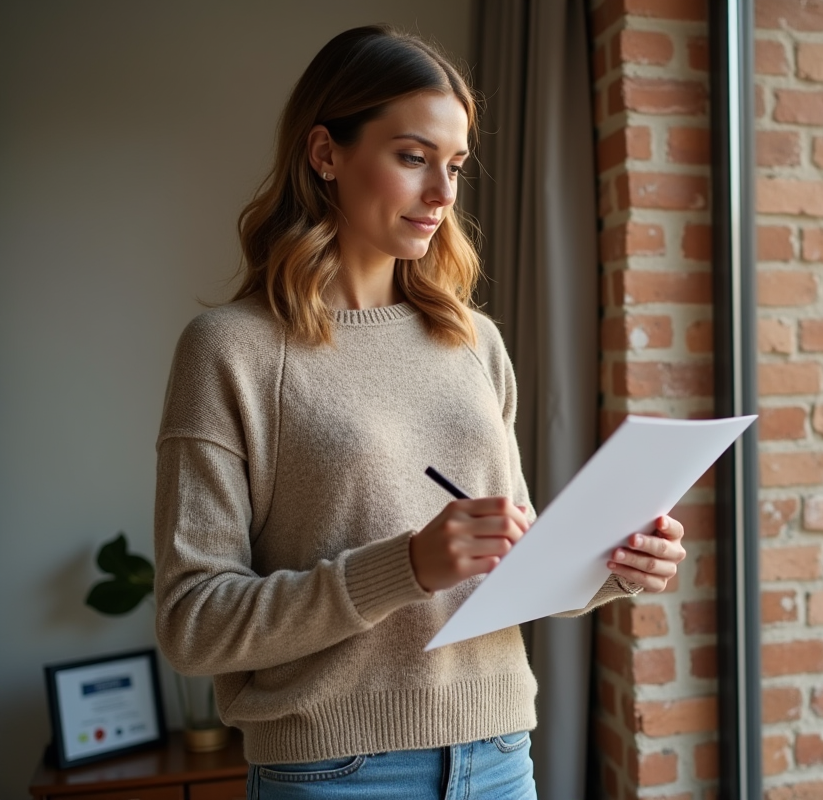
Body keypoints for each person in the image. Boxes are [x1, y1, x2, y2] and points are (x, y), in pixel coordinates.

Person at [152, 24, 687, 800]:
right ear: (325, 153)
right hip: (334, 773)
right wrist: (403, 568)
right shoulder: (230, 351)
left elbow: (512, 567)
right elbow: (194, 624)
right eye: (413, 157)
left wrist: (614, 565)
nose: (443, 193)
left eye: (456, 166)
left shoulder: (475, 343)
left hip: (499, 756)